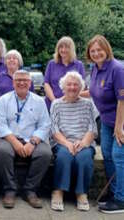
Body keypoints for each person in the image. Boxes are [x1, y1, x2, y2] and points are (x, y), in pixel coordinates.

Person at [0, 69, 52, 209]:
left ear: (30, 83)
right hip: (8, 138)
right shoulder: (4, 99)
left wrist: (32, 142)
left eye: (25, 80)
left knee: (45, 153)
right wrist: (14, 142)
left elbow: (45, 124)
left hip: (32, 139)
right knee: (2, 151)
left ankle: (30, 190)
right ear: (13, 82)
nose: (21, 83)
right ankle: (10, 190)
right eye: (18, 80)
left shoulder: (39, 101)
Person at [86, 35, 124, 214]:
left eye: (99, 49)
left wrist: (119, 127)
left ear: (106, 49)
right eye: (92, 51)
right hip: (107, 121)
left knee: (119, 157)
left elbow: (122, 100)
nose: (96, 53)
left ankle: (121, 199)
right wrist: (72, 94)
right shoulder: (95, 68)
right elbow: (94, 92)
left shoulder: (117, 69)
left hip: (120, 121)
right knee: (107, 155)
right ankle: (114, 194)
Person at [50, 71, 97, 212]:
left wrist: (83, 143)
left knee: (84, 158)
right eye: (69, 84)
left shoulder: (88, 104)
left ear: (81, 87)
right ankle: (58, 191)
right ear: (63, 87)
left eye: (76, 84)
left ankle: (81, 193)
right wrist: (67, 143)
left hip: (84, 141)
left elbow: (93, 128)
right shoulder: (56, 104)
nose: (72, 87)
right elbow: (54, 129)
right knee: (64, 157)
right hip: (63, 142)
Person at [44, 36, 85, 110]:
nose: (63, 50)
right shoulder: (51, 64)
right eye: (61, 47)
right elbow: (46, 83)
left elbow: (81, 86)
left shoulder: (79, 65)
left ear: (71, 49)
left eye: (66, 47)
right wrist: (55, 102)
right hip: (52, 105)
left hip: (73, 106)